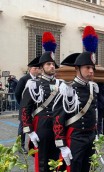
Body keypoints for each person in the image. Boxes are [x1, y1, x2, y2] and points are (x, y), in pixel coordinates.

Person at [52, 26, 99, 172]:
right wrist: (62, 145)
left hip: (90, 137)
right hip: (75, 138)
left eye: (92, 67)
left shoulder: (93, 88)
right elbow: (58, 118)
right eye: (87, 67)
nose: (91, 71)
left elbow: (94, 113)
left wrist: (96, 135)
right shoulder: (67, 89)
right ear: (77, 69)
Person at [20, 32, 61, 172]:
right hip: (41, 127)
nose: (52, 66)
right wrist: (29, 131)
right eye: (48, 64)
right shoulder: (33, 85)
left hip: (58, 127)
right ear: (42, 67)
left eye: (53, 64)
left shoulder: (60, 85)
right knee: (42, 161)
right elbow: (25, 109)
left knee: (58, 160)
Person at [15, 58, 40, 154]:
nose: (37, 70)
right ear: (30, 69)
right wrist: (22, 104)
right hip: (25, 107)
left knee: (33, 126)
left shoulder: (38, 80)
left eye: (38, 68)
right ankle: (20, 146)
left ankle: (34, 145)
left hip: (35, 108)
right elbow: (17, 93)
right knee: (23, 127)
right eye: (35, 68)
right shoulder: (24, 79)